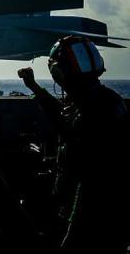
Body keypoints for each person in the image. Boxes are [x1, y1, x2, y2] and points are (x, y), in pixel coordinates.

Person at [17, 37, 130, 253]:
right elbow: (63, 116)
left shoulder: (91, 108)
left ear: (59, 73)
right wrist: (34, 87)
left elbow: (91, 181)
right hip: (104, 209)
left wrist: (70, 231)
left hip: (94, 211)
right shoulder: (103, 99)